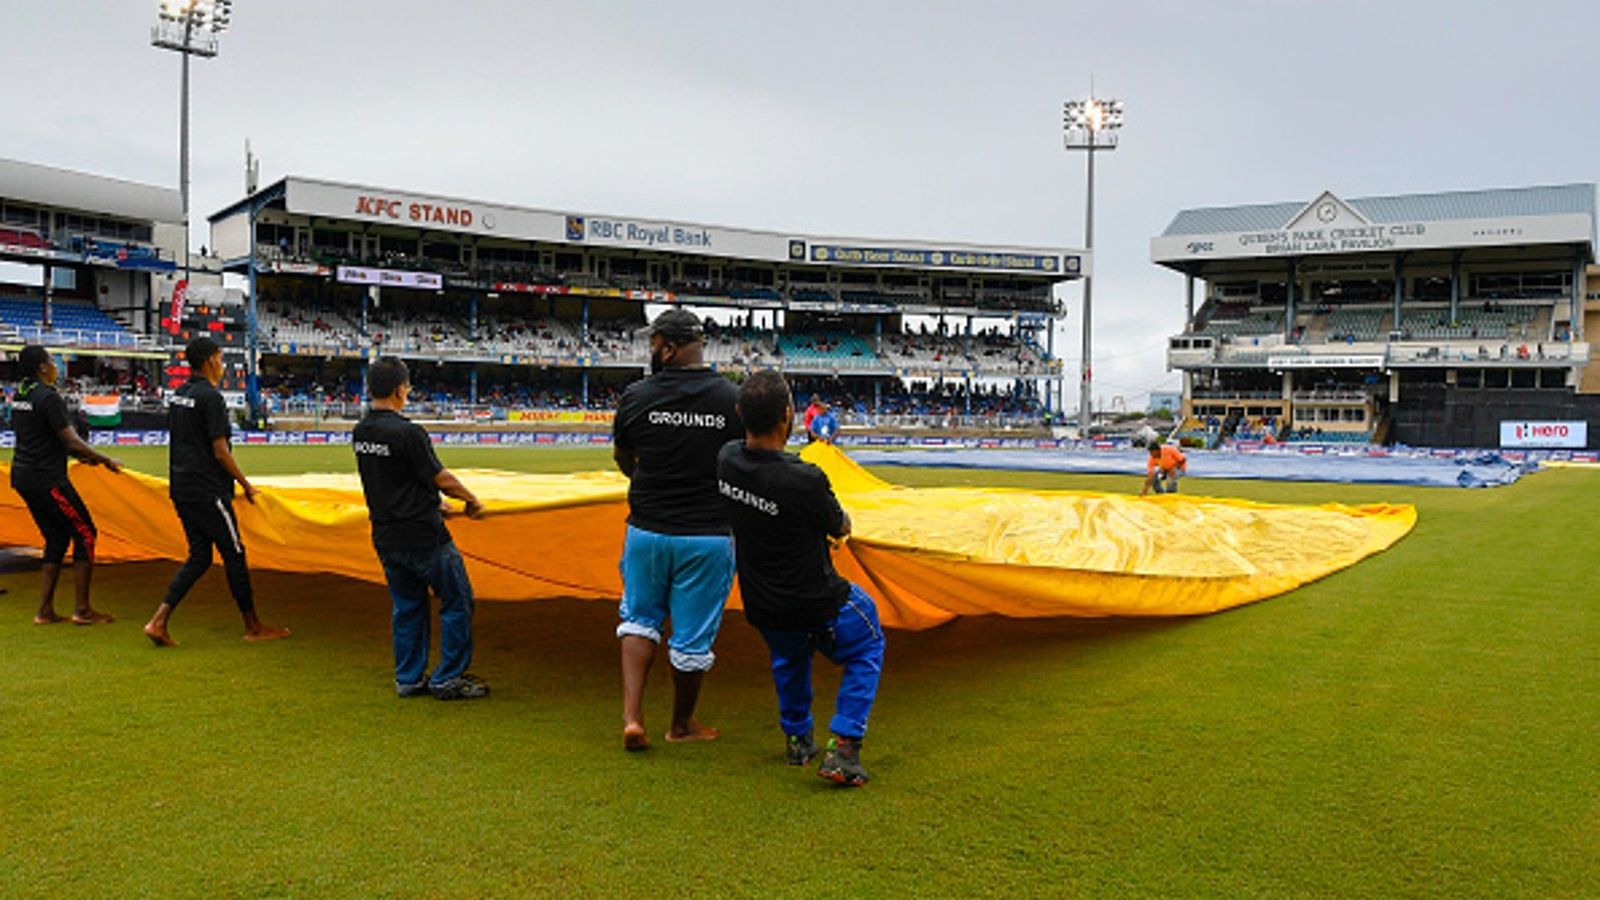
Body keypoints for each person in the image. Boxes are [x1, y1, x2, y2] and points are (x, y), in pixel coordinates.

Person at [717, 369, 884, 786]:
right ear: (789, 416)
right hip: (818, 601)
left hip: (764, 603)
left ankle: (798, 740)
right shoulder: (804, 478)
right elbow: (839, 526)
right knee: (867, 644)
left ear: (740, 413)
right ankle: (844, 748)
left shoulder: (727, 461)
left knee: (789, 660)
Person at [612, 308, 743, 751]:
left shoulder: (636, 395)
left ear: (668, 346)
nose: (651, 350)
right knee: (691, 638)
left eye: (653, 343)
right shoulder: (731, 399)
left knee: (638, 618)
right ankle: (681, 724)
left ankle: (633, 717)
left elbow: (624, 459)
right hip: (707, 535)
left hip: (646, 529)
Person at [353, 357, 488, 700]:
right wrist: (471, 501)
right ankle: (448, 678)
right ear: (401, 389)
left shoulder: (362, 431)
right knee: (457, 600)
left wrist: (431, 501)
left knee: (408, 606)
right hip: (424, 537)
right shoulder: (408, 432)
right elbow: (440, 477)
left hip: (386, 536)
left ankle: (409, 678)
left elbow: (391, 480)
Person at [143, 337, 290, 646]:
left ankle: (159, 621)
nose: (223, 365)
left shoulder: (180, 395)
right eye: (221, 358)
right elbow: (221, 451)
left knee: (199, 557)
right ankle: (253, 626)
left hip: (182, 487)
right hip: (208, 491)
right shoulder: (211, 398)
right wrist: (247, 486)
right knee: (234, 555)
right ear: (210, 360)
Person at [8, 345, 123, 625]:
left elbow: (45, 437)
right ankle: (82, 610)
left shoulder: (20, 395)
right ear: (42, 367)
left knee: (57, 537)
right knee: (85, 533)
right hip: (47, 478)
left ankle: (44, 611)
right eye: (52, 360)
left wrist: (86, 457)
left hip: (23, 475)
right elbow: (69, 440)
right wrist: (105, 459)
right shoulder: (49, 398)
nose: (56, 365)